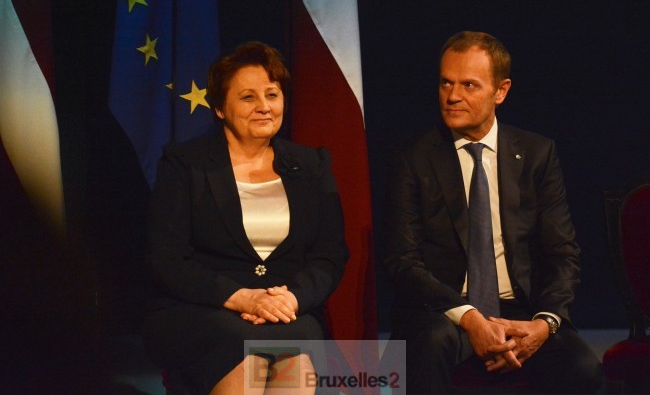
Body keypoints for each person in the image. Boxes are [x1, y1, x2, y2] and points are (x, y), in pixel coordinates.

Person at [383, 31, 603, 394]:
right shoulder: (413, 157)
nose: (453, 96)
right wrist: (469, 318)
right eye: (446, 83)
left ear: (500, 91)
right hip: (444, 312)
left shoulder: (536, 154)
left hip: (521, 311)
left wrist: (543, 324)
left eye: (469, 85)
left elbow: (563, 254)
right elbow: (403, 261)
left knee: (583, 369)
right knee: (430, 344)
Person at [142, 41, 349, 395]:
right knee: (246, 354)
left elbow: (329, 254)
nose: (264, 107)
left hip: (287, 311)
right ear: (220, 108)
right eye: (248, 97)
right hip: (203, 309)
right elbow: (167, 257)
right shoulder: (184, 164)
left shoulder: (311, 165)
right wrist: (240, 298)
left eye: (272, 94)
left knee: (295, 355)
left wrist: (293, 299)